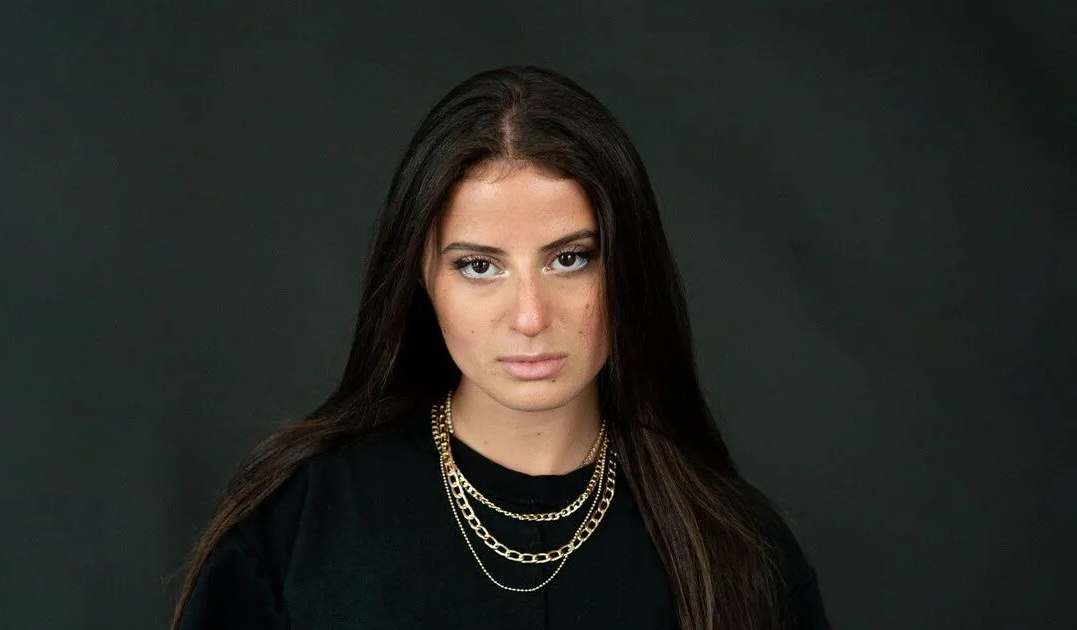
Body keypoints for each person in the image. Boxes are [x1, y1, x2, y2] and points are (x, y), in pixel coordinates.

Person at [170, 65, 832, 630]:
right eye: (479, 266)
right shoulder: (297, 526)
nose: (530, 316)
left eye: (570, 258)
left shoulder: (737, 546)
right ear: (420, 278)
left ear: (630, 269)